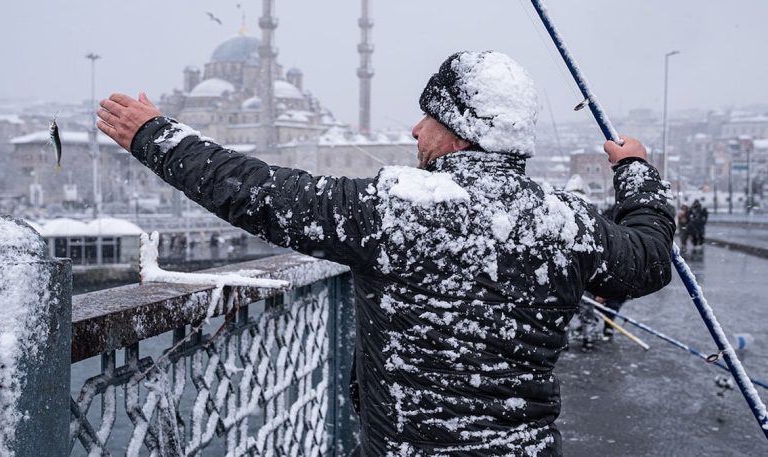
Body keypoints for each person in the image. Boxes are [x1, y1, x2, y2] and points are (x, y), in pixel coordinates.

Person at [97, 51, 674, 457]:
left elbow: (260, 194)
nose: (416, 131)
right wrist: (635, 171)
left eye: (429, 117)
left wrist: (155, 136)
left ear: (460, 129)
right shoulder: (566, 220)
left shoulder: (397, 208)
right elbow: (648, 257)